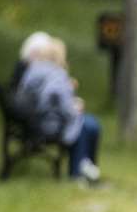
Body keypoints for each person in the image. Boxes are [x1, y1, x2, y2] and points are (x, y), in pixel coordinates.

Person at [13, 33, 102, 184]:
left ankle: (84, 166)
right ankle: (79, 171)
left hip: (32, 122)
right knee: (88, 124)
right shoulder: (57, 75)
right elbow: (62, 105)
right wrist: (75, 107)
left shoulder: (33, 71)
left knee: (89, 123)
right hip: (50, 124)